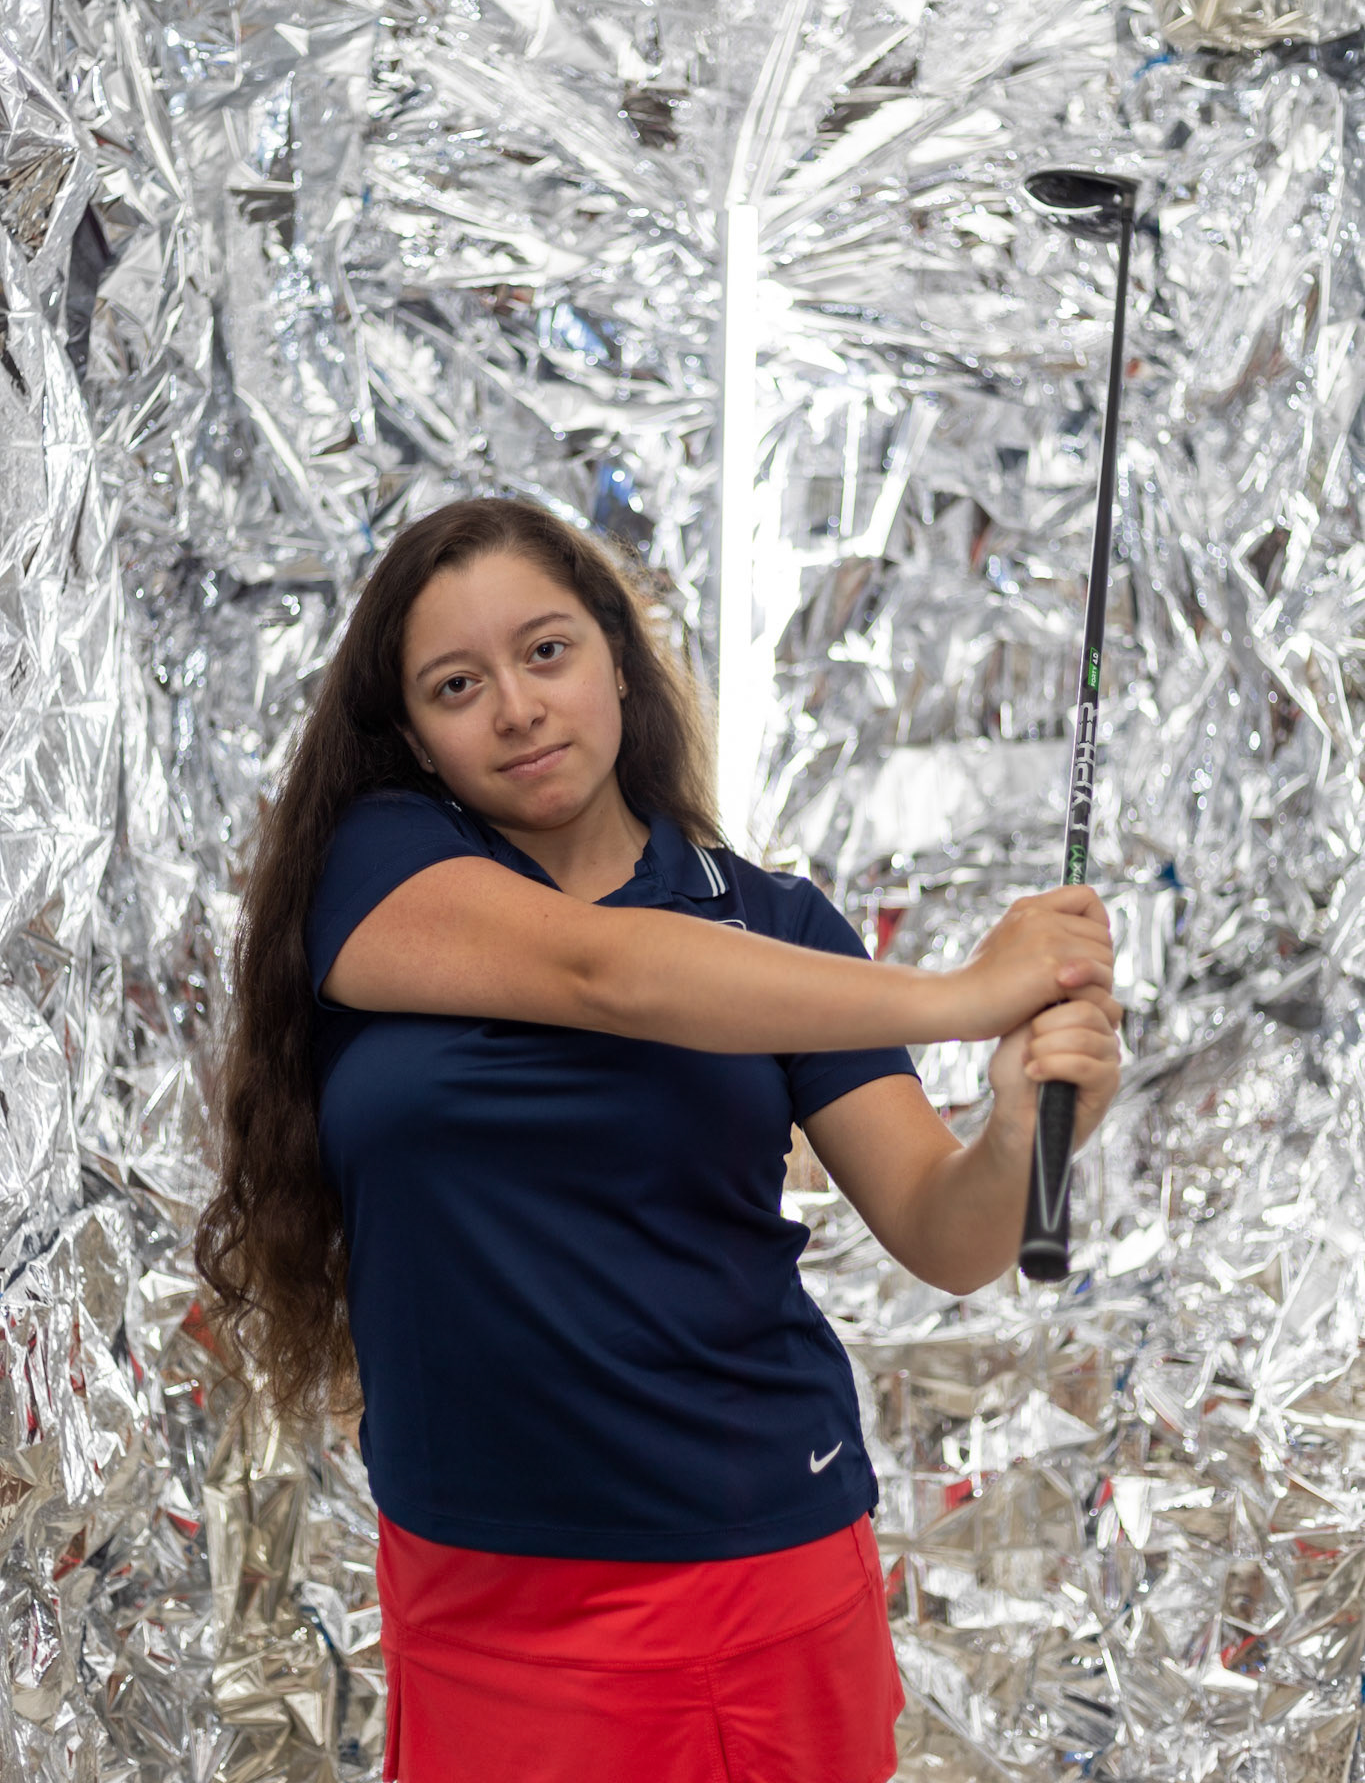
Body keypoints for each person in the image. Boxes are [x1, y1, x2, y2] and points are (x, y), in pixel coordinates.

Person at [195, 496, 1122, 1783]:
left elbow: (945, 1230)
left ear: (619, 661)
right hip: (480, 1583)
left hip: (750, 1562)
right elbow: (602, 971)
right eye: (457, 684)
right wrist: (965, 994)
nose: (516, 706)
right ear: (410, 732)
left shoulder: (775, 926)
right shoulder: (378, 872)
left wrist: (1017, 1115)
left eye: (548, 651)